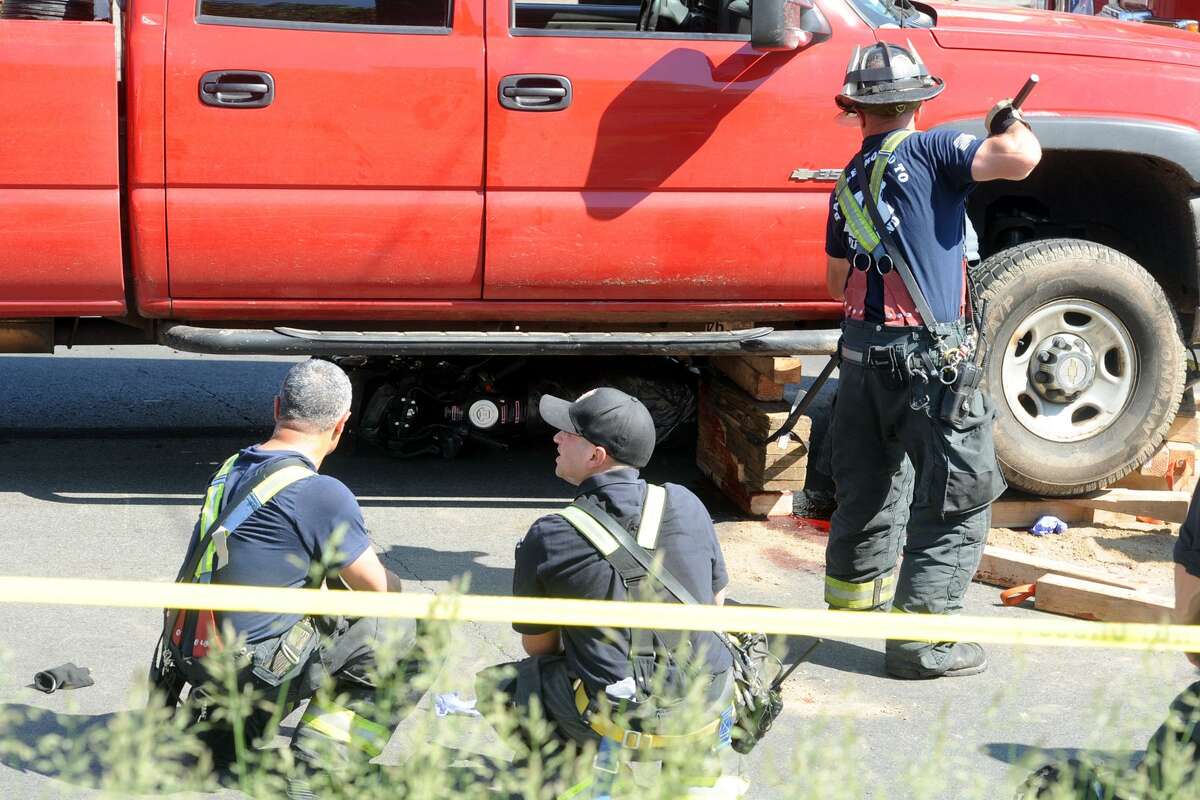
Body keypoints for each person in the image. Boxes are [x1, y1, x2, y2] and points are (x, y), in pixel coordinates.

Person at [823, 42, 1041, 679]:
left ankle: (849, 607)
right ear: (919, 102)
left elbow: (837, 278)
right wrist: (1010, 122)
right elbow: (1020, 160)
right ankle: (921, 648)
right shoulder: (934, 148)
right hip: (929, 365)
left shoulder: (846, 181)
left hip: (862, 360)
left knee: (869, 487)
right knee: (956, 500)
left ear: (855, 109)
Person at [155, 358, 423, 794]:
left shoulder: (232, 468)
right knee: (408, 630)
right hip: (252, 666)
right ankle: (321, 765)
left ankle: (214, 740)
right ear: (342, 424)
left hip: (194, 652)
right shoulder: (320, 493)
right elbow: (377, 589)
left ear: (278, 406)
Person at [477, 387, 737, 794]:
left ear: (596, 456)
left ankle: (588, 780)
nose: (556, 439)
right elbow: (715, 603)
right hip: (706, 704)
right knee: (687, 680)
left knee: (505, 687)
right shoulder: (686, 502)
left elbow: (539, 647)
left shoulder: (552, 534)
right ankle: (696, 780)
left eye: (568, 432)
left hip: (619, 716)